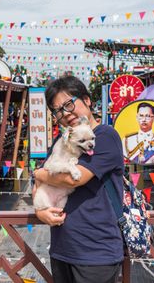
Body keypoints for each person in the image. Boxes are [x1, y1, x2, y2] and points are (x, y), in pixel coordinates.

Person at [33, 76, 124, 283]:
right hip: (62, 247)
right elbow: (41, 183)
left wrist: (37, 173)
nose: (65, 113)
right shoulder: (63, 139)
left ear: (87, 100)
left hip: (96, 252)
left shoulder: (105, 136)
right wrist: (41, 211)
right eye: (57, 110)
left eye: (68, 104)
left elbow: (73, 179)